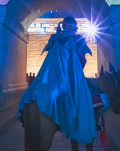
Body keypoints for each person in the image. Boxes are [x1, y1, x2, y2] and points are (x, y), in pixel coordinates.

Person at [17, 16, 97, 147]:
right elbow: (82, 61)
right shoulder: (78, 40)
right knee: (85, 98)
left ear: (63, 26)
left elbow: (51, 60)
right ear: (75, 28)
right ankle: (78, 126)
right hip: (70, 78)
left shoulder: (54, 38)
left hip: (51, 77)